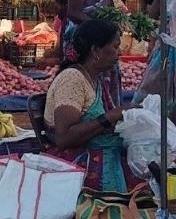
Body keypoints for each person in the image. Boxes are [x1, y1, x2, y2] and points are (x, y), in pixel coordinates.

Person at [43, 17, 136, 195]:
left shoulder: (94, 78)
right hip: (78, 163)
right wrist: (109, 117)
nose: (119, 53)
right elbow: (64, 138)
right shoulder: (72, 79)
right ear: (95, 50)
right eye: (115, 47)